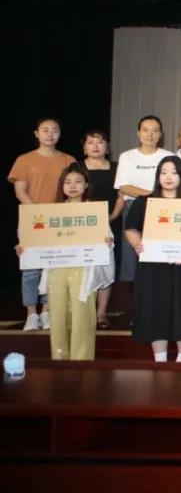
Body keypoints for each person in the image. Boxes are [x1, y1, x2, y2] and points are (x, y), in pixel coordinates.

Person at [17, 164, 113, 360]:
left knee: (82, 318)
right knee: (58, 318)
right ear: (61, 186)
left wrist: (107, 242)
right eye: (68, 182)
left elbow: (106, 242)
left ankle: (82, 363)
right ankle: (59, 362)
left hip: (84, 270)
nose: (73, 186)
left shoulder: (95, 211)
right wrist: (25, 249)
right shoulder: (52, 212)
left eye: (78, 181)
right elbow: (37, 240)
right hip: (56, 269)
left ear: (86, 185)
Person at [124, 156, 181, 362]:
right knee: (156, 308)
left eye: (174, 173)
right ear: (157, 176)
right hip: (153, 268)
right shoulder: (144, 202)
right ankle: (160, 360)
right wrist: (137, 243)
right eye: (164, 172)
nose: (168, 177)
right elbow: (131, 228)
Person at [9, 117, 76, 330]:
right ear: (36, 134)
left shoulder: (68, 160)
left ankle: (47, 311)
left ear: (60, 134)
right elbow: (20, 191)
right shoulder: (24, 159)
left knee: (53, 268)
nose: (50, 134)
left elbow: (75, 189)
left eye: (55, 130)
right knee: (30, 268)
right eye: (45, 130)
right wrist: (40, 213)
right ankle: (31, 313)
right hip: (32, 220)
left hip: (59, 221)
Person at [114, 116, 170, 299]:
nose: (150, 134)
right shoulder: (127, 156)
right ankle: (136, 305)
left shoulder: (168, 156)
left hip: (162, 210)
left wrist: (154, 199)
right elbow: (123, 186)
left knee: (158, 256)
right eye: (145, 130)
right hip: (133, 208)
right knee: (133, 257)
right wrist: (151, 195)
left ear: (161, 134)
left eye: (155, 130)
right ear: (138, 133)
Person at [81, 130, 124, 328]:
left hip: (111, 222)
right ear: (84, 147)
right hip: (85, 224)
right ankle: (86, 311)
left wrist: (112, 216)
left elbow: (121, 196)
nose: (96, 146)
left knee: (107, 265)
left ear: (107, 147)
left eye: (100, 142)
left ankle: (101, 312)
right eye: (91, 142)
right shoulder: (77, 167)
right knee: (87, 266)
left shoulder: (117, 168)